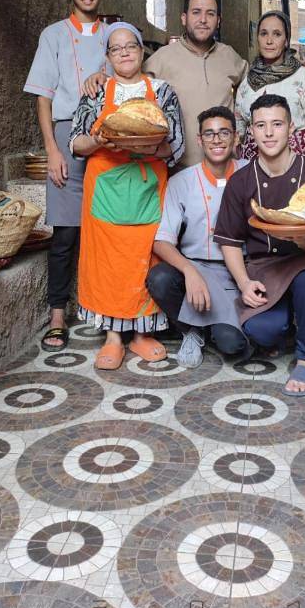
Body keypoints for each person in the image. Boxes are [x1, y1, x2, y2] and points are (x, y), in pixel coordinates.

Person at [69, 22, 184, 369]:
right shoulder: (95, 91)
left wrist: (147, 145)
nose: (124, 53)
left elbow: (175, 145)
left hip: (148, 187)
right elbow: (76, 142)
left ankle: (141, 334)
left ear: (141, 50)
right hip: (104, 189)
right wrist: (100, 140)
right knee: (107, 265)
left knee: (145, 260)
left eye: (130, 46)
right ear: (107, 56)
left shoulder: (163, 92)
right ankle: (113, 337)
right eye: (115, 48)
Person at [214, 93, 305, 396]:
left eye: (277, 124)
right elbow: (230, 241)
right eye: (261, 125)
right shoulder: (241, 181)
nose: (269, 133)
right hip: (265, 267)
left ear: (291, 128)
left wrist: (298, 237)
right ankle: (292, 325)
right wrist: (244, 283)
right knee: (262, 331)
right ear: (251, 132)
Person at [24, 0, 109, 352]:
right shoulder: (53, 35)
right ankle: (58, 314)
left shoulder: (115, 36)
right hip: (64, 133)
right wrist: (52, 149)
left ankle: (109, 312)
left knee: (108, 229)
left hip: (106, 136)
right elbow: (43, 96)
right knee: (65, 233)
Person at [84, 0, 248, 168]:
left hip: (224, 167)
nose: (203, 19)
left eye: (210, 14)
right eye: (196, 12)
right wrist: (103, 77)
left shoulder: (230, 56)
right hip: (179, 169)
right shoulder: (162, 58)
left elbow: (255, 90)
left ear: (218, 20)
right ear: (184, 18)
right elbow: (129, 79)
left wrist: (240, 132)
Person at [146, 107, 249, 368]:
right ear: (199, 140)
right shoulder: (182, 181)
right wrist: (189, 271)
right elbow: (161, 240)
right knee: (159, 278)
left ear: (236, 138)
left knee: (233, 345)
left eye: (224, 132)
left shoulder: (251, 174)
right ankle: (191, 330)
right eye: (209, 134)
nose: (217, 140)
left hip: (238, 271)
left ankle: (211, 327)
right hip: (196, 267)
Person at [235, 10, 305, 187]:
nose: (269, 40)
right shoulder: (246, 83)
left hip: (298, 167)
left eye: (277, 34)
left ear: (286, 40)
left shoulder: (304, 77)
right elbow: (239, 135)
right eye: (263, 33)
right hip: (255, 170)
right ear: (257, 38)